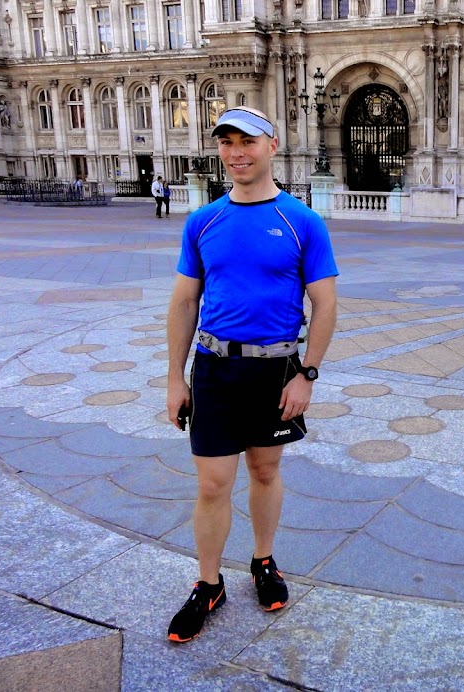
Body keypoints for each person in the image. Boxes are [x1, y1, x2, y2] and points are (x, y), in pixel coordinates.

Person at [165, 106, 339, 643]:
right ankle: (208, 583)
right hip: (215, 369)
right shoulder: (203, 221)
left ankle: (263, 562)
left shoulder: (301, 221)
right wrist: (174, 377)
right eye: (227, 142)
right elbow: (184, 302)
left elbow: (326, 304)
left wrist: (307, 374)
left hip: (275, 370)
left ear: (272, 146)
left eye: (248, 141)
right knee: (212, 483)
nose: (236, 153)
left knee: (264, 471)